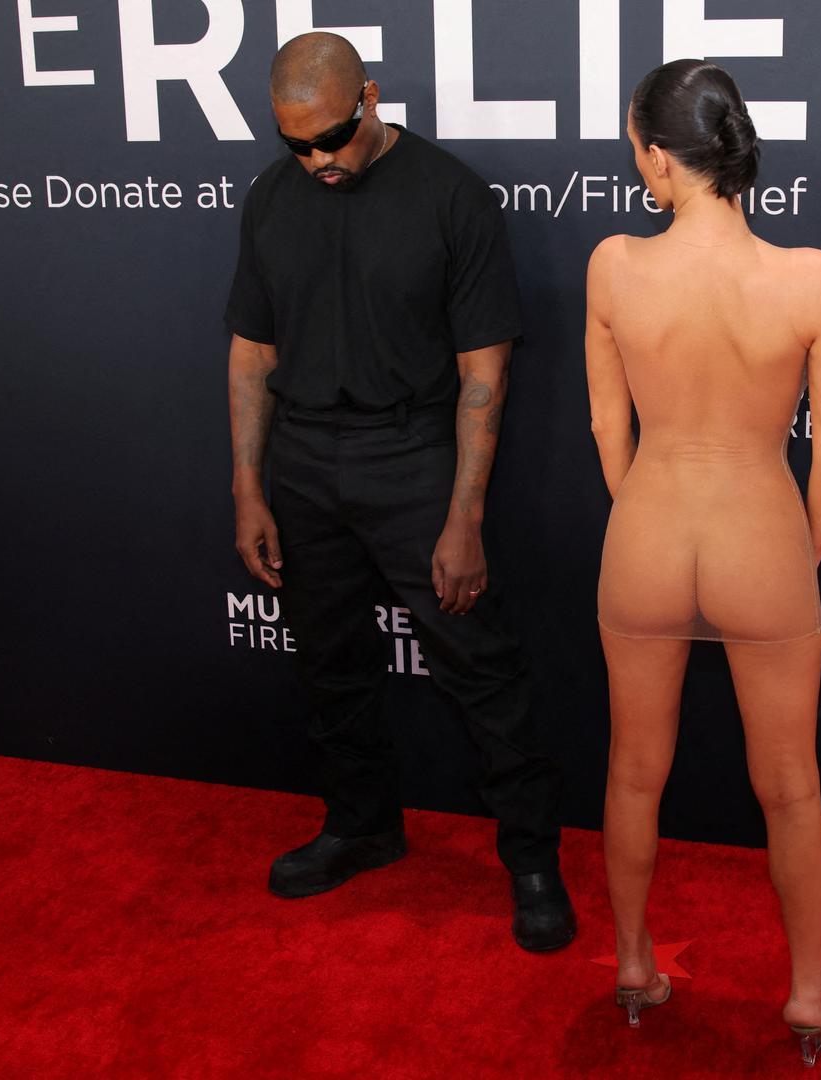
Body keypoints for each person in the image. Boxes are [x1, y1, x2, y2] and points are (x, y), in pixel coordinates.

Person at [224, 32, 575, 952]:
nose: (318, 161)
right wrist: (248, 485)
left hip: (414, 456)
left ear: (369, 98)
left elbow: (484, 370)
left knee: (479, 667)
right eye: (296, 144)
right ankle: (361, 826)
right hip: (303, 459)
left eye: (332, 138)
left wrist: (464, 515)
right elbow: (253, 351)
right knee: (329, 664)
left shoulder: (450, 196)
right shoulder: (270, 197)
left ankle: (532, 859)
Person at [584, 60, 821, 1061]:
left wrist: (644, 510)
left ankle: (632, 965)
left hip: (646, 536)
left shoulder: (613, 265)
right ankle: (807, 996)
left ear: (660, 159)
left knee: (632, 773)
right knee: (790, 786)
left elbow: (607, 428)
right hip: (759, 539)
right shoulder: (812, 278)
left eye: (635, 152)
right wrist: (801, 544)